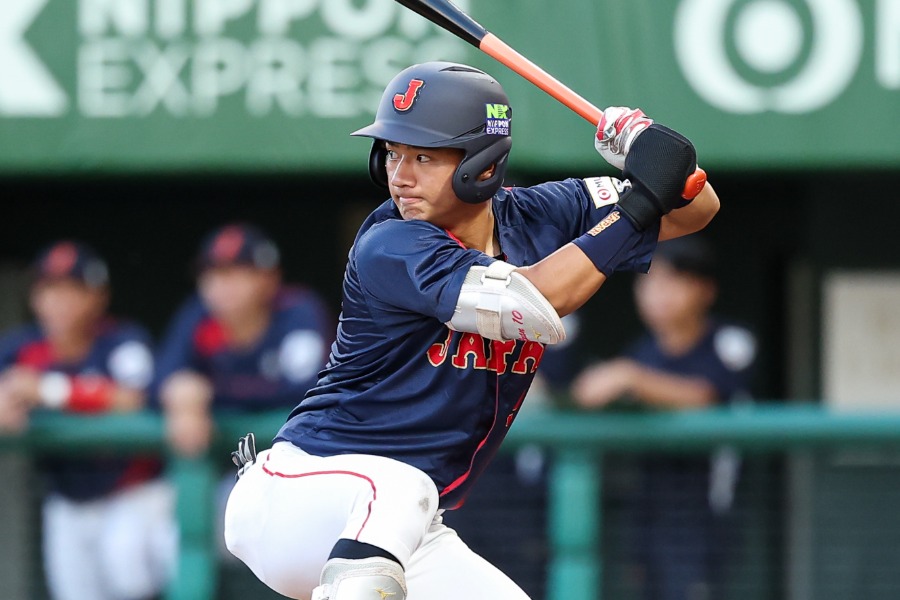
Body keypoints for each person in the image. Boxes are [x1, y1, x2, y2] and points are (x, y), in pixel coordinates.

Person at [223, 60, 720, 600]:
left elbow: (697, 211)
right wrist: (640, 201)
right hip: (304, 495)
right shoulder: (390, 244)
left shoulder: (541, 214)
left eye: (423, 157)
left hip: (397, 528)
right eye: (392, 153)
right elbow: (535, 303)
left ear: (483, 165)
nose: (400, 175)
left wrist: (651, 154)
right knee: (400, 483)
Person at [571, 235, 757, 600]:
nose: (658, 292)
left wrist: (630, 378)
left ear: (704, 290)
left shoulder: (731, 343)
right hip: (649, 520)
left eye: (673, 280)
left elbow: (706, 396)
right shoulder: (641, 353)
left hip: (709, 517)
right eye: (650, 280)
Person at [0, 240, 175, 600]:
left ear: (98, 296)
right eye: (49, 289)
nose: (59, 302)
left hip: (135, 492)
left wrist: (50, 390)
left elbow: (136, 397)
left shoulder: (122, 341)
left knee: (129, 575)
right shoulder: (21, 348)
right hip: (68, 499)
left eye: (72, 290)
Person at [154, 222, 334, 459]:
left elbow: (307, 390)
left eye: (237, 272)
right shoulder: (198, 315)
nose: (221, 285)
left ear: (269, 278)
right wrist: (181, 394)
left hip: (304, 457)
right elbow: (158, 382)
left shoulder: (297, 312)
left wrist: (212, 392)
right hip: (228, 467)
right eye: (213, 273)